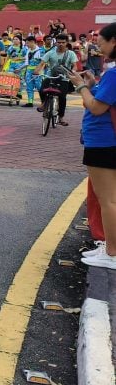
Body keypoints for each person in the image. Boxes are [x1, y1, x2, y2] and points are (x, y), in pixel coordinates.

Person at [67, 23, 116, 268]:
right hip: (107, 141)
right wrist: (94, 83)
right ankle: (109, 248)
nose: (98, 44)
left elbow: (97, 107)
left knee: (108, 199)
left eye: (102, 40)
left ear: (114, 42)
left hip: (105, 141)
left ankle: (111, 253)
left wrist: (81, 86)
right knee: (107, 198)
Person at [33, 33, 77, 126]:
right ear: (56, 43)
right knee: (42, 90)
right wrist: (36, 71)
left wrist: (73, 72)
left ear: (66, 43)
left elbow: (75, 66)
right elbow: (42, 63)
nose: (61, 44)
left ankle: (61, 117)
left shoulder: (71, 54)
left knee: (62, 97)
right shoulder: (50, 52)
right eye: (59, 42)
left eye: (63, 42)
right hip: (51, 77)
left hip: (64, 78)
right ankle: (44, 103)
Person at [20, 36, 45, 108]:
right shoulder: (28, 51)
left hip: (37, 71)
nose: (26, 45)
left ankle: (43, 101)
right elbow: (26, 63)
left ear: (32, 42)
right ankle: (30, 102)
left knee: (39, 86)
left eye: (27, 43)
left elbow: (43, 62)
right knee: (29, 86)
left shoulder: (40, 51)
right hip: (29, 71)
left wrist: (40, 71)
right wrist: (20, 69)